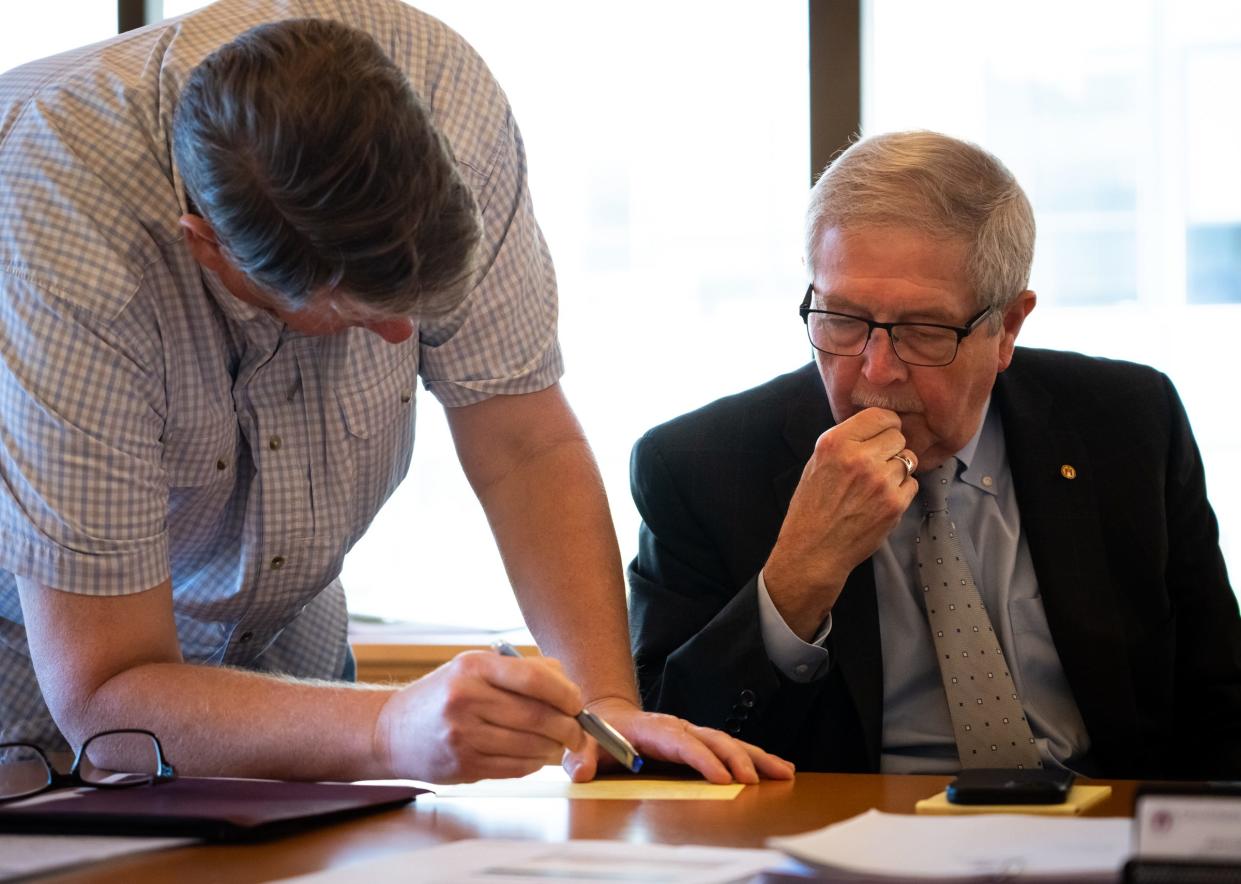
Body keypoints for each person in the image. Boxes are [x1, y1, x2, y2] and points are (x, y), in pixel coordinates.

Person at [0, 1, 793, 786]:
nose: (396, 340)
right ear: (210, 248)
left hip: (286, 666)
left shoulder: (444, 95)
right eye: (352, 317)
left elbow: (524, 439)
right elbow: (107, 694)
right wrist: (387, 727)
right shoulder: (59, 227)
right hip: (37, 702)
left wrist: (605, 703)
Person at [628, 130, 1241, 780]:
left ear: (1007, 328)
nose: (875, 369)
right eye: (840, 319)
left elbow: (1219, 702)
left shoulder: (1126, 423)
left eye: (922, 331)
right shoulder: (699, 467)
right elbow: (666, 755)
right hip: (845, 848)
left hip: (1099, 826)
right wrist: (798, 578)